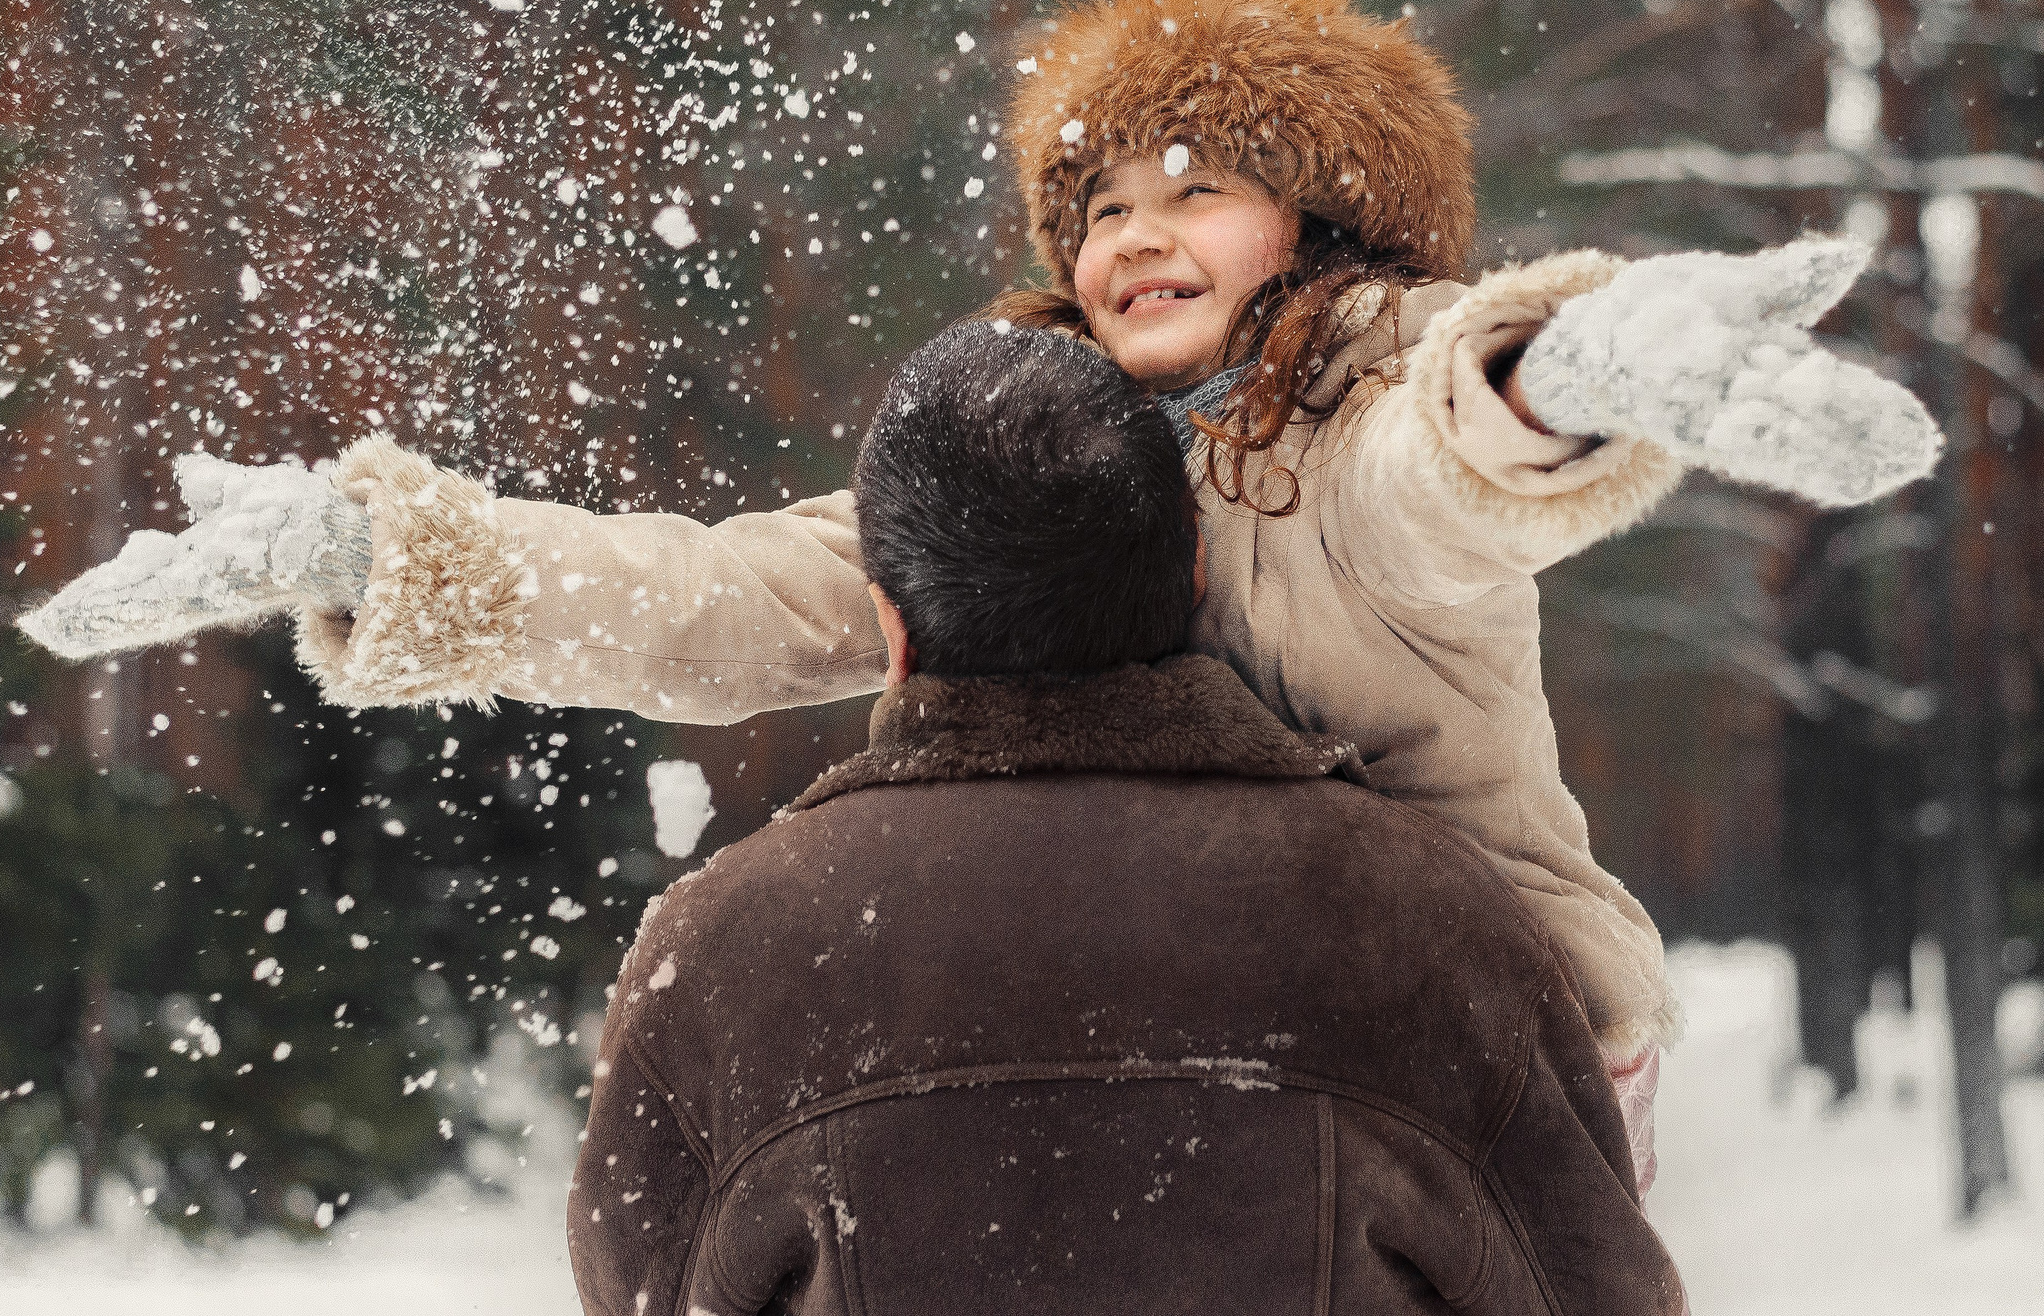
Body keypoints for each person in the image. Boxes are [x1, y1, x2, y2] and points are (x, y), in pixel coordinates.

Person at [15, 0, 1937, 1178]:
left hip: (1475, 1012)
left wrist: (1572, 368)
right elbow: (723, 591)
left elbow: (1457, 453)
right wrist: (387, 546)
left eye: (1196, 183)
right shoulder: (1036, 459)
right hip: (1195, 1007)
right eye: (1102, 202)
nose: (1135, 230)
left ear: (1326, 216)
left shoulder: (1353, 421)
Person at [566, 319, 1685, 1316]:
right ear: (1193, 568)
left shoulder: (723, 948)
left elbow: (638, 1282)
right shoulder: (1427, 916)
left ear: (889, 629)